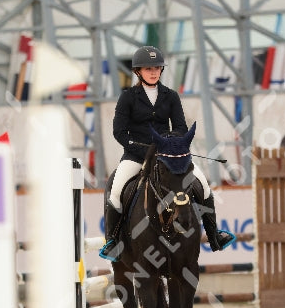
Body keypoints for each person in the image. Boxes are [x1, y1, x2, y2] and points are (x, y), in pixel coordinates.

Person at [99, 45, 235, 261]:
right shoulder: (128, 98)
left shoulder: (170, 96)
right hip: (136, 157)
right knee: (115, 192)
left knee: (204, 186)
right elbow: (119, 131)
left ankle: (214, 235)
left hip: (168, 157)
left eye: (156, 68)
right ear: (138, 72)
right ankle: (113, 241)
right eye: (148, 68)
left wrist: (170, 144)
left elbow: (180, 126)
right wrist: (141, 150)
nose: (153, 72)